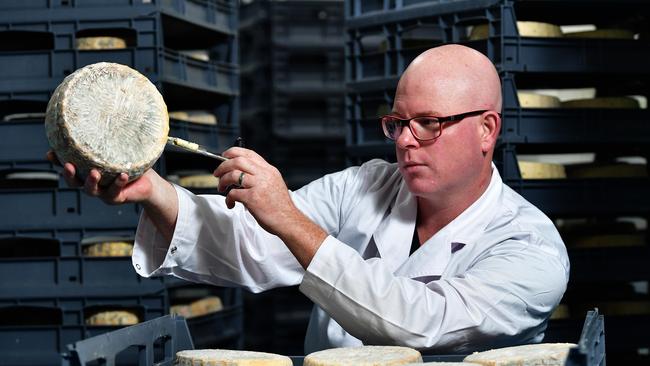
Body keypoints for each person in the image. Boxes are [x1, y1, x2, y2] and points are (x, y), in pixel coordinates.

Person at [52, 44, 569, 354]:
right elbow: (249, 245)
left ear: (486, 130)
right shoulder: (367, 183)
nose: (406, 140)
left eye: (429, 124)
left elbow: (421, 325)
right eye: (398, 123)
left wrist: (289, 220)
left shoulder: (530, 250)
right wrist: (151, 190)